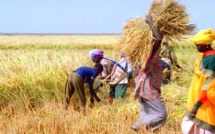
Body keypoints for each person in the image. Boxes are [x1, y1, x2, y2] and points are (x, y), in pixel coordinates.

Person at [132, 12, 167, 132]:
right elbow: (158, 39)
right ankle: (137, 127)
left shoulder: (141, 58)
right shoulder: (150, 58)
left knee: (147, 113)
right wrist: (151, 22)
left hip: (143, 88)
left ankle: (142, 128)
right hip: (148, 88)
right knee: (161, 114)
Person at [181, 29, 215, 134]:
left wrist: (196, 106)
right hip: (198, 100)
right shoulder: (204, 56)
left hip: (204, 104)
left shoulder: (212, 59)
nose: (196, 47)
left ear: (206, 45)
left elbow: (208, 86)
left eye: (198, 45)